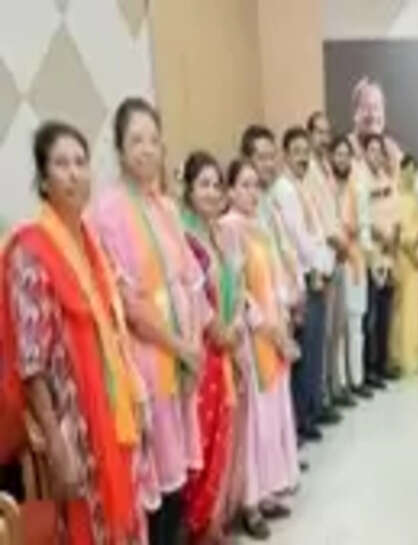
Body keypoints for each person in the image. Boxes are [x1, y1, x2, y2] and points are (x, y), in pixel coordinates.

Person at [0, 121, 150, 544]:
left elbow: (113, 329)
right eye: (61, 164)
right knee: (87, 529)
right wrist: (57, 443)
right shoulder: (30, 252)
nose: (73, 173)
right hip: (72, 424)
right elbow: (31, 363)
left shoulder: (90, 243)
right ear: (44, 180)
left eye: (81, 162)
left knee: (123, 526)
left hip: (112, 411)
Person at [89, 97, 206, 545]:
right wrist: (182, 348)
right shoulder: (106, 211)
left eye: (153, 140)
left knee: (179, 482)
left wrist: (194, 346)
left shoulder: (166, 208)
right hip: (148, 362)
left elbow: (190, 280)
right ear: (119, 148)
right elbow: (129, 303)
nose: (146, 149)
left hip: (182, 357)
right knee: (157, 479)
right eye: (136, 140)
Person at [222, 158, 301, 540]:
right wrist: (266, 326)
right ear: (230, 191)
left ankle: (267, 491)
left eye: (256, 185)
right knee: (254, 423)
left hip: (274, 333)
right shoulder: (229, 229)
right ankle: (249, 503)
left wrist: (283, 321)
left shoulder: (260, 226)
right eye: (244, 185)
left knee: (273, 417)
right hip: (252, 339)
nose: (252, 192)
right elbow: (238, 292)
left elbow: (274, 281)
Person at [178, 151, 247, 545]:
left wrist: (234, 325)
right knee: (201, 438)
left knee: (224, 432)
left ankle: (213, 524)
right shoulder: (183, 238)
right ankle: (195, 527)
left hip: (227, 344)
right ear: (189, 190)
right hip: (201, 350)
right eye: (203, 184)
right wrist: (218, 331)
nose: (211, 192)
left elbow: (236, 284)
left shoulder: (222, 235)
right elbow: (190, 297)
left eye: (216, 185)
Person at [261, 125, 335, 444]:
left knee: (314, 348)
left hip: (312, 273)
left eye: (306, 153)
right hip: (303, 277)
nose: (303, 158)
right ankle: (303, 419)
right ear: (285, 155)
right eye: (297, 152)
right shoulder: (284, 190)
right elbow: (299, 239)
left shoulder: (299, 187)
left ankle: (310, 412)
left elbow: (315, 231)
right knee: (306, 352)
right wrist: (318, 267)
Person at [306, 111, 348, 424]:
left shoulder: (326, 169)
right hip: (322, 259)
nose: (324, 138)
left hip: (336, 257)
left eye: (326, 132)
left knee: (335, 330)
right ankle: (318, 400)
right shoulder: (307, 173)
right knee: (321, 336)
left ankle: (331, 390)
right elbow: (317, 220)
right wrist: (337, 242)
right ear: (310, 135)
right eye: (318, 133)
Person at [329, 135, 370, 400]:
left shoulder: (359, 188)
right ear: (331, 158)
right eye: (338, 155)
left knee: (356, 324)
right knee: (338, 328)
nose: (342, 159)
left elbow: (364, 225)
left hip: (355, 260)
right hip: (333, 259)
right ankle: (339, 384)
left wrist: (362, 245)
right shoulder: (326, 188)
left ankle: (357, 379)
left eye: (346, 155)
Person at [358, 133, 399, 388]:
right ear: (364, 153)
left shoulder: (387, 179)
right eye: (371, 150)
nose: (376, 155)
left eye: (379, 151)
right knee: (369, 317)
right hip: (370, 255)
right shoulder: (359, 179)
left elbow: (395, 213)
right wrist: (378, 235)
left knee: (385, 315)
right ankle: (368, 369)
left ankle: (382, 364)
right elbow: (361, 217)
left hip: (389, 254)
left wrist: (392, 238)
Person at [389, 155, 418, 376]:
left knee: (414, 306)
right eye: (407, 171)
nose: (410, 176)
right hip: (403, 258)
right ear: (401, 171)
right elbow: (395, 232)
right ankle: (400, 356)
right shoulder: (395, 196)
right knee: (401, 307)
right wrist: (408, 251)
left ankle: (415, 355)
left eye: (414, 172)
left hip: (417, 257)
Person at [349, 78, 403, 176]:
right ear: (355, 113)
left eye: (377, 107)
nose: (373, 115)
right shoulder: (345, 151)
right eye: (367, 107)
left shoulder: (392, 150)